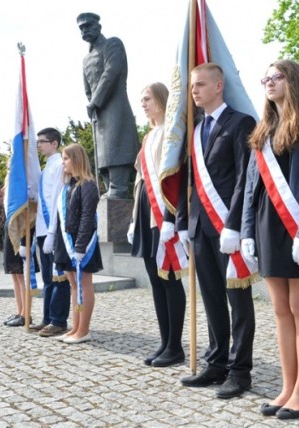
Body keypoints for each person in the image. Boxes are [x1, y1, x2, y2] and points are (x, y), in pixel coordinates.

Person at [241, 59, 299, 419]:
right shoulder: (264, 128)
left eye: (276, 76)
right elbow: (251, 186)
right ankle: (286, 386)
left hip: (298, 227)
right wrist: (248, 231)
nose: (269, 82)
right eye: (265, 77)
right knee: (280, 311)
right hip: (267, 225)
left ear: (293, 81)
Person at [163, 63, 257, 399]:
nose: (195, 91)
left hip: (228, 230)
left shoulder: (241, 123)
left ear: (219, 86)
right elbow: (191, 181)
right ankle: (217, 363)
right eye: (192, 86)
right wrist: (184, 222)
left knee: (238, 302)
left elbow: (245, 178)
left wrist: (235, 225)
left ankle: (240, 371)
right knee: (213, 299)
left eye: (201, 85)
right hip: (201, 228)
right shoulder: (196, 129)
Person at [128, 83, 186, 367]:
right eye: (142, 99)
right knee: (156, 283)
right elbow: (140, 182)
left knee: (170, 281)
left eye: (147, 98)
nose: (143, 104)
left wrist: (172, 219)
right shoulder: (148, 137)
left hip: (163, 217)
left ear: (161, 100)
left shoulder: (171, 135)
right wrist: (132, 220)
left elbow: (172, 180)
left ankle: (176, 346)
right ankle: (165, 342)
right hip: (145, 216)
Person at [44, 143, 102, 344]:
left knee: (83, 284)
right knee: (73, 285)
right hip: (66, 241)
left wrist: (79, 247)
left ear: (77, 159)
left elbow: (87, 218)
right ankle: (75, 328)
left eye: (66, 158)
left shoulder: (88, 185)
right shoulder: (69, 186)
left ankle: (83, 330)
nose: (63, 162)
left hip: (81, 243)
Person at [77, 12, 139, 199]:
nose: (84, 30)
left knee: (116, 146)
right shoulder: (86, 59)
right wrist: (92, 103)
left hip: (115, 107)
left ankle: (118, 188)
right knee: (103, 153)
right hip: (98, 112)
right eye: (81, 28)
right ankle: (110, 187)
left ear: (98, 27)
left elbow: (111, 73)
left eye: (88, 26)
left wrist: (96, 100)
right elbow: (87, 87)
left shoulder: (112, 44)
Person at [28, 128, 71, 337]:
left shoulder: (59, 166)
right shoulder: (46, 168)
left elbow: (56, 201)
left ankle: (58, 320)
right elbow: (43, 197)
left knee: (58, 277)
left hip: (53, 229)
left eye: (43, 142)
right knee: (47, 277)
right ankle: (47, 317)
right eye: (38, 142)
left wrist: (53, 232)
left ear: (54, 143)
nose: (39, 145)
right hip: (43, 230)